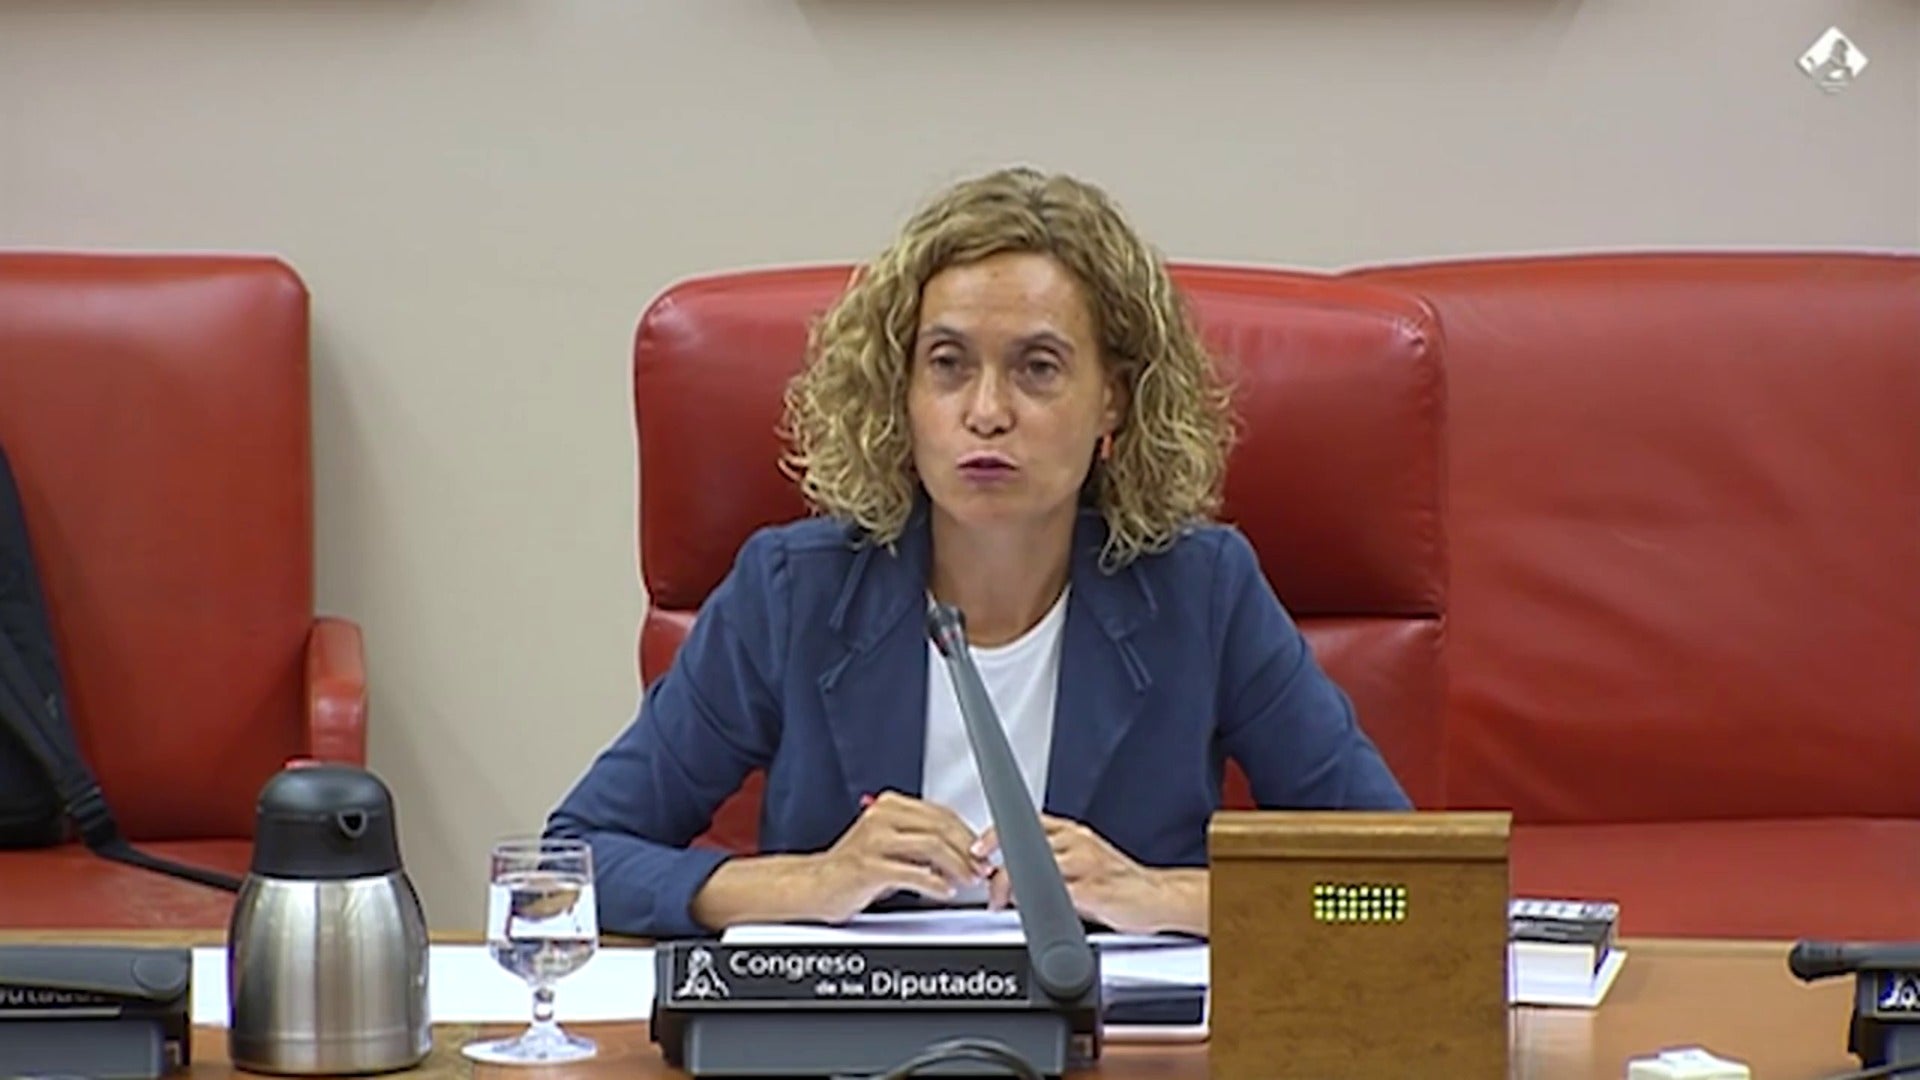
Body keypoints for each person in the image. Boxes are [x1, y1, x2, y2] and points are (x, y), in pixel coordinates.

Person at [545, 165, 1411, 941]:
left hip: (1110, 1039)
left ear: (1113, 399)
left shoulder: (1203, 593)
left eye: (1038, 368)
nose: (987, 412)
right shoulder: (792, 592)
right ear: (902, 391)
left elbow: (1396, 888)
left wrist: (1159, 896)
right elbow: (572, 863)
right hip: (852, 1039)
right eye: (948, 364)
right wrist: (806, 884)